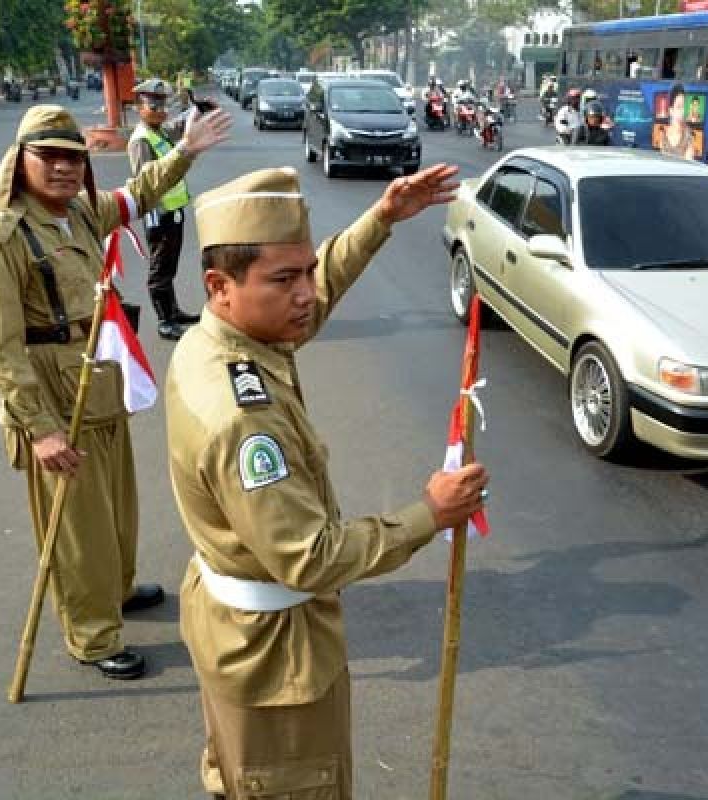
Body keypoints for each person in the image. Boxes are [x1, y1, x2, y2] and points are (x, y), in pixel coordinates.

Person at [165, 164, 489, 799]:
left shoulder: (225, 340)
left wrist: (380, 220)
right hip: (274, 654)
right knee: (293, 786)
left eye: (307, 271)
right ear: (219, 285)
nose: (306, 293)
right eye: (285, 279)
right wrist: (429, 512)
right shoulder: (242, 420)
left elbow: (312, 297)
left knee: (243, 775)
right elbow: (309, 558)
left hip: (238, 628)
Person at [0, 103, 233, 680]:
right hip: (52, 398)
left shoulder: (79, 214)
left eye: (72, 158)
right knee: (76, 527)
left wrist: (186, 150)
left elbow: (139, 194)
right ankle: (92, 632)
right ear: (19, 161)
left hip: (97, 381)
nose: (62, 168)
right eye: (48, 157)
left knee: (116, 506)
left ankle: (118, 587)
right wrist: (39, 428)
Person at [128, 78, 202, 340]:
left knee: (170, 267)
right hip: (159, 215)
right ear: (139, 107)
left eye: (162, 104)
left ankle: (173, 312)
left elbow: (180, 127)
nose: (159, 110)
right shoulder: (141, 140)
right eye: (153, 105)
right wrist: (155, 212)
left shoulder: (158, 131)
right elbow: (145, 183)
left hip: (174, 211)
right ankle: (164, 321)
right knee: (160, 269)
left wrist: (198, 109)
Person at [658, 84, 696, 160]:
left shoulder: (688, 137)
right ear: (671, 110)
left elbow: (688, 166)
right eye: (679, 107)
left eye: (683, 107)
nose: (682, 112)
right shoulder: (664, 136)